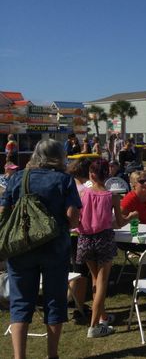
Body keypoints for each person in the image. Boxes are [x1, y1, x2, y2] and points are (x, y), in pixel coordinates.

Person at [0, 139, 81, 359]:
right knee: (54, 301)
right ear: (60, 156)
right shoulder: (65, 180)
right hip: (55, 248)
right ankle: (52, 355)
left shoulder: (18, 177)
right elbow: (72, 218)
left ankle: (19, 356)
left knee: (20, 302)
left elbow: (3, 211)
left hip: (22, 247)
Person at [76, 159, 125, 338]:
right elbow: (119, 223)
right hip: (104, 238)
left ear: (92, 174)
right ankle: (94, 326)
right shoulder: (112, 196)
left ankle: (102, 317)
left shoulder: (83, 194)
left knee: (96, 279)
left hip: (85, 239)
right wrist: (132, 216)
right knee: (102, 282)